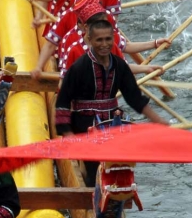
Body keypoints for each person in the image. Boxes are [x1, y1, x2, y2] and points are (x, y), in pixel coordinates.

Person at [55, 17, 168, 185]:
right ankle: (93, 191)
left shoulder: (120, 66)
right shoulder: (79, 67)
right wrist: (68, 135)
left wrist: (157, 120)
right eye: (99, 40)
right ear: (90, 40)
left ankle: (116, 193)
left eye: (108, 39)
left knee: (120, 164)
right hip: (85, 125)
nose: (104, 44)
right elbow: (62, 102)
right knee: (95, 169)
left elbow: (133, 97)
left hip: (112, 123)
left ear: (114, 38)